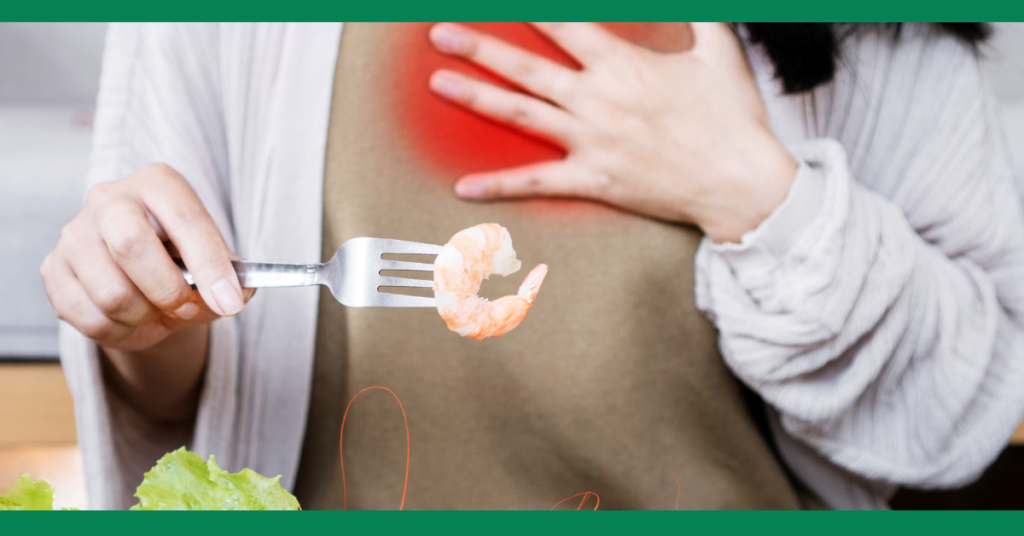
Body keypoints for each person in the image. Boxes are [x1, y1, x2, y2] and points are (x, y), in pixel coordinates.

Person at [42, 22, 1024, 510]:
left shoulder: (885, 36)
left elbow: (960, 413)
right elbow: (169, 400)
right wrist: (135, 315)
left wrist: (753, 193)